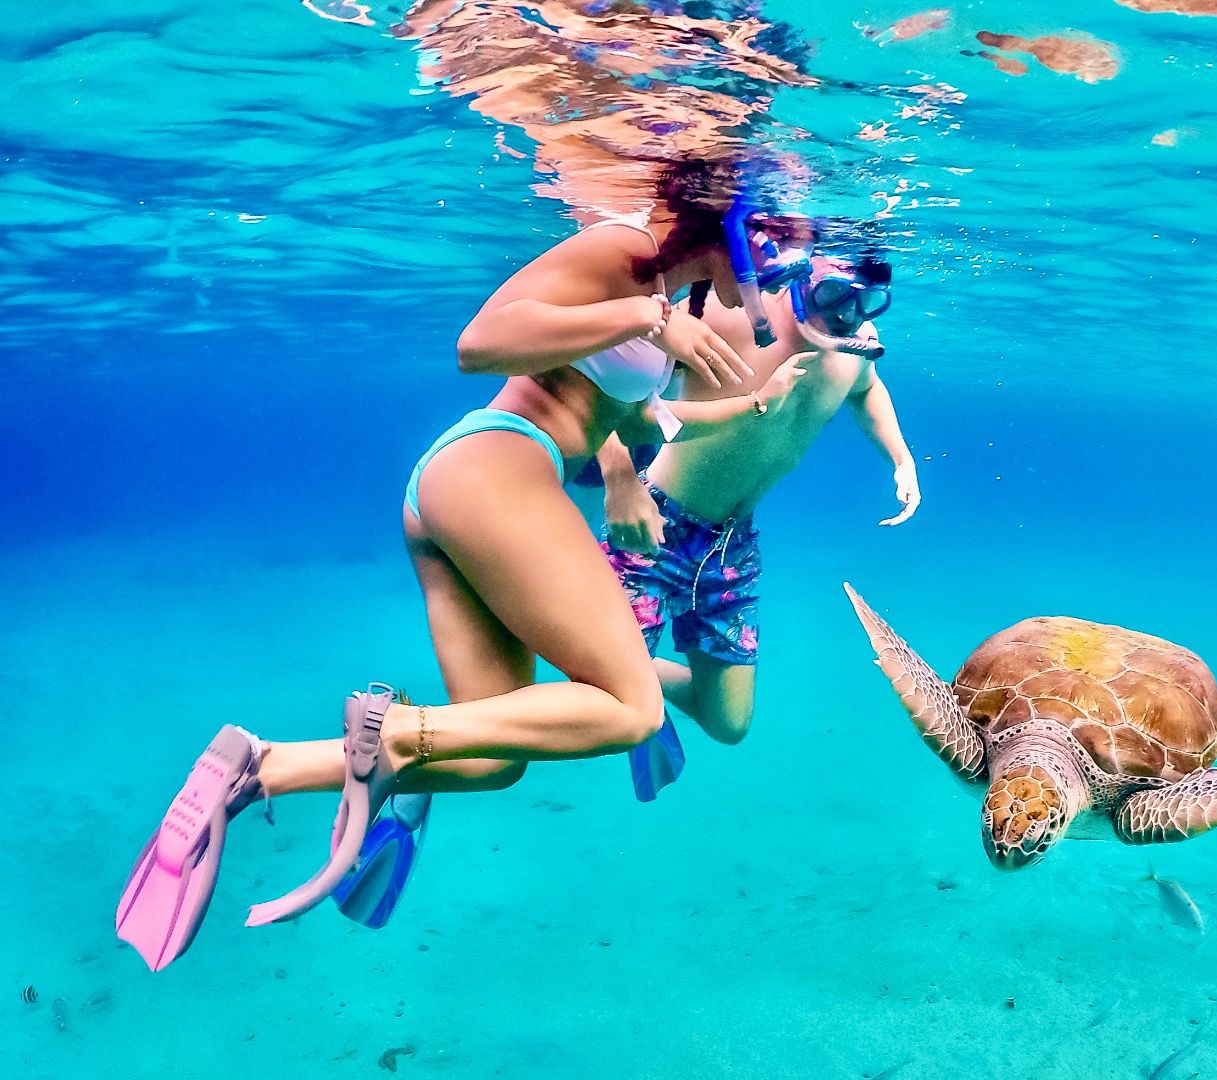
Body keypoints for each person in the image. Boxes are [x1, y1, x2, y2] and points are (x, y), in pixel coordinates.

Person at [113, 188, 813, 972]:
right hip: (497, 460)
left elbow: (640, 420)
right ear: (731, 225)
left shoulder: (663, 297)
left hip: (477, 483)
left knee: (491, 757)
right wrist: (646, 323)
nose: (781, 278)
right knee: (630, 707)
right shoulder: (622, 246)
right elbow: (480, 342)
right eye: (779, 250)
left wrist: (752, 406)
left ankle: (260, 766)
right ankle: (395, 738)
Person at [599, 247, 917, 769]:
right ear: (800, 273)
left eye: (868, 303)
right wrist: (618, 479)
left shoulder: (855, 347)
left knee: (728, 725)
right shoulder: (729, 314)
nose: (844, 314)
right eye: (831, 293)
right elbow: (603, 381)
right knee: (602, 688)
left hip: (732, 546)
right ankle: (627, 684)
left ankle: (639, 688)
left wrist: (900, 457)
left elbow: (867, 390)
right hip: (656, 523)